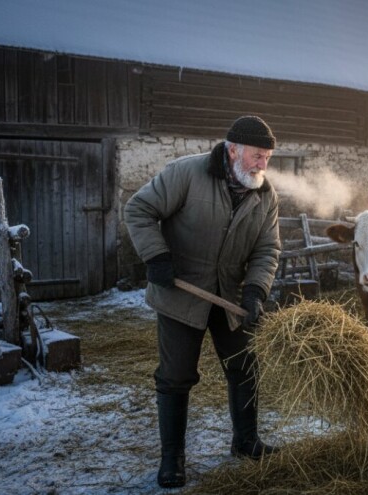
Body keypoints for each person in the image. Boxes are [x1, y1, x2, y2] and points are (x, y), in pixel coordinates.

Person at [124, 116, 281, 488]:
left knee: (245, 367)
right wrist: (156, 256)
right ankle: (173, 459)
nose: (263, 164)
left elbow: (267, 249)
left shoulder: (265, 195)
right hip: (181, 294)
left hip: (228, 299)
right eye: (257, 156)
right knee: (176, 375)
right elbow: (138, 210)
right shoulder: (187, 174)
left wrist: (255, 290)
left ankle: (246, 441)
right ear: (232, 150)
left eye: (268, 157)